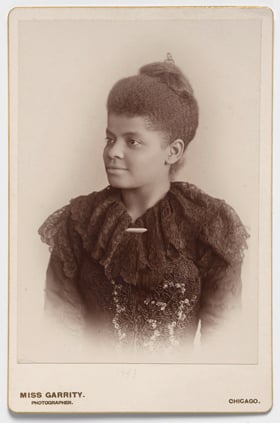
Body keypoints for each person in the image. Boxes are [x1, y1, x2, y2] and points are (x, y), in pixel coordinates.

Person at [38, 55, 249, 357]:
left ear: (173, 151)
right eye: (110, 138)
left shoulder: (209, 224)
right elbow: (59, 337)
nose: (113, 152)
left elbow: (225, 342)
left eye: (132, 142)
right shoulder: (79, 223)